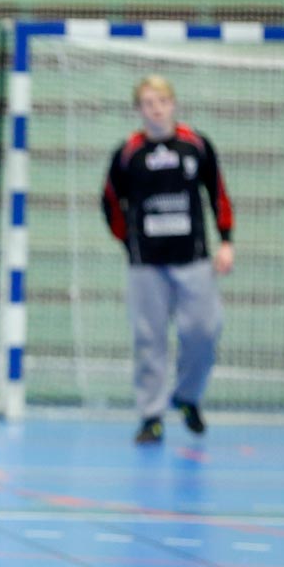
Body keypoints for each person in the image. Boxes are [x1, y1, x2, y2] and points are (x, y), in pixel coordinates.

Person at [100, 75, 235, 445]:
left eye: (161, 100)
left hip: (193, 260)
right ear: (139, 109)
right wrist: (129, 241)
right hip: (147, 265)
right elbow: (111, 201)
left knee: (204, 332)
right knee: (149, 339)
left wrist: (226, 241)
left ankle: (188, 396)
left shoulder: (196, 146)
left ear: (172, 103)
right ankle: (151, 416)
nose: (156, 108)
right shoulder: (129, 154)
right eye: (148, 102)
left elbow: (218, 193)